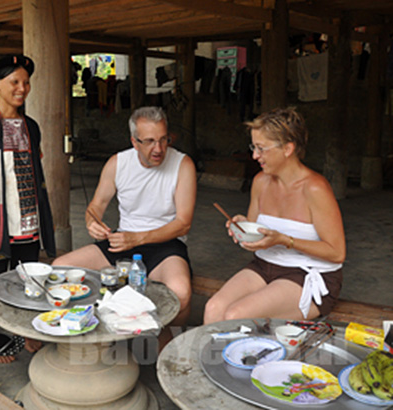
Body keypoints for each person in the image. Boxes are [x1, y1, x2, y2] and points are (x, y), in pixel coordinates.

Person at [53, 106, 196, 329]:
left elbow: (183, 224)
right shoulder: (118, 163)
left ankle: (168, 341)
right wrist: (92, 222)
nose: (158, 148)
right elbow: (96, 205)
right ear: (134, 142)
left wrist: (138, 239)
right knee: (60, 268)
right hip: (122, 242)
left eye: (163, 139)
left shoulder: (183, 164)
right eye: (149, 141)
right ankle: (76, 328)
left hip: (166, 244)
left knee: (182, 293)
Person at [203, 107, 345, 324]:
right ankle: (210, 358)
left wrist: (285, 240)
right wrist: (243, 229)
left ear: (288, 149)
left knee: (236, 316)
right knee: (213, 309)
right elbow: (257, 238)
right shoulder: (261, 182)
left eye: (261, 148)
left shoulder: (315, 188)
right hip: (264, 265)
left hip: (307, 274)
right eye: (253, 147)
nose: (254, 156)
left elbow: (337, 253)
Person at [0, 54, 56, 363]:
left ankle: (26, 330)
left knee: (27, 276)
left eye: (26, 82)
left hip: (27, 216)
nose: (22, 88)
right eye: (14, 82)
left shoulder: (31, 126)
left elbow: (32, 170)